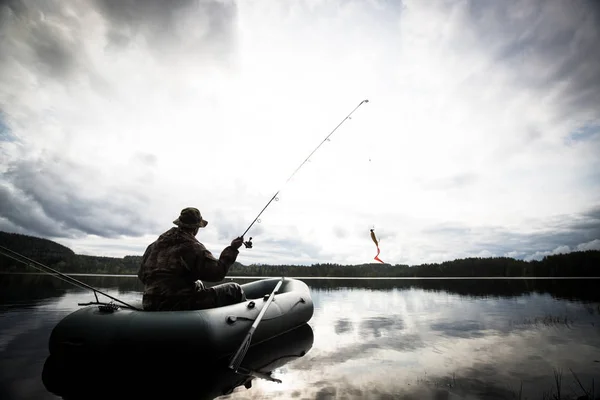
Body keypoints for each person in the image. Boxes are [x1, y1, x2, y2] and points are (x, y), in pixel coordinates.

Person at [137, 207, 246, 311]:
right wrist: (232, 249)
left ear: (179, 224)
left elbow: (141, 276)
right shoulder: (193, 247)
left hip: (149, 303)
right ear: (195, 228)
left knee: (198, 284)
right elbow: (217, 273)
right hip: (178, 304)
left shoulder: (153, 246)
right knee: (234, 289)